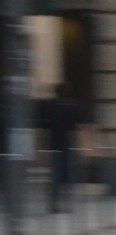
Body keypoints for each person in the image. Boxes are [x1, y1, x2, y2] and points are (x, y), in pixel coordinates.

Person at [41, 83, 79, 213]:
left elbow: (45, 124)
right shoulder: (71, 106)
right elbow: (74, 127)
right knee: (68, 175)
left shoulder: (49, 106)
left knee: (55, 176)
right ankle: (68, 204)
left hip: (54, 143)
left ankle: (53, 204)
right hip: (67, 143)